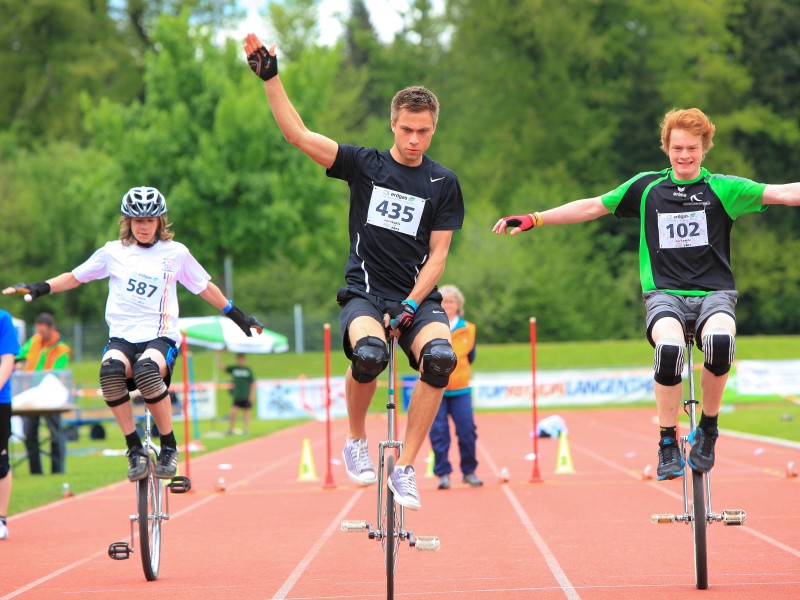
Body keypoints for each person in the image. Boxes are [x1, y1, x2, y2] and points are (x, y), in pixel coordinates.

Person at [493, 108, 800, 481]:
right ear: (666, 148)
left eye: (692, 148)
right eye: (677, 148)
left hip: (714, 294)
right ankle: (667, 439)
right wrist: (535, 218)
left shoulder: (723, 188)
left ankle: (709, 427)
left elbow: (783, 193)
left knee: (721, 342)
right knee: (669, 349)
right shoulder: (646, 187)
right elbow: (593, 205)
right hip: (664, 296)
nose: (684, 155)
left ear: (705, 148)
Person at [244, 35, 464, 510]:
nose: (413, 140)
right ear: (393, 123)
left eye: (423, 132)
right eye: (406, 129)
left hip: (417, 296)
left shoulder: (443, 183)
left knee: (441, 359)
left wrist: (410, 304)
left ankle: (405, 467)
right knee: (368, 353)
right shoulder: (366, 165)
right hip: (365, 291)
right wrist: (271, 80)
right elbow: (299, 136)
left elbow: (439, 256)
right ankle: (356, 439)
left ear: (433, 130)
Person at [3, 187, 263, 482]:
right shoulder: (113, 252)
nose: (143, 226)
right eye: (137, 220)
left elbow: (205, 287)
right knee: (110, 371)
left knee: (146, 369)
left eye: (149, 221)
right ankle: (134, 448)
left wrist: (239, 317)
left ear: (159, 223)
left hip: (159, 336)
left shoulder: (176, 254)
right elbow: (76, 277)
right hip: (122, 338)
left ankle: (168, 446)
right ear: (127, 222)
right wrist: (38, 287)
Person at [428, 285, 482, 490]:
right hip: (436, 389)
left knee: (467, 430)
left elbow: (471, 357)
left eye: (451, 301)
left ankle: (469, 471)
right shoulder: (430, 326)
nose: (447, 305)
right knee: (439, 432)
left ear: (458, 305)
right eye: (443, 301)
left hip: (461, 389)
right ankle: (443, 474)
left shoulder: (469, 328)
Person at [16, 312, 72, 475]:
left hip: (50, 396)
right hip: (32, 396)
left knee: (55, 433)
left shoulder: (62, 347)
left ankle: (57, 470)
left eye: (43, 332)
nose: (40, 335)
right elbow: (19, 354)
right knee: (29, 433)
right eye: (38, 331)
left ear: (52, 328)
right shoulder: (34, 341)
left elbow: (57, 372)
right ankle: (35, 471)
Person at [0, 309, 21, 540]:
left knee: (0, 460)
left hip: (0, 399)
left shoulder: (3, 319)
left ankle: (1, 519)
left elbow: (7, 360)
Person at [224, 353, 255, 435]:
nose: (240, 360)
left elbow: (252, 383)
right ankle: (231, 429)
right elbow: (222, 367)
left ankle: (246, 430)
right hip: (237, 396)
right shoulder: (234, 369)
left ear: (244, 360)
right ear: (237, 359)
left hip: (246, 395)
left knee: (246, 412)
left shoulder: (247, 370)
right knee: (233, 412)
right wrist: (218, 354)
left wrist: (252, 395)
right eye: (239, 359)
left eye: (242, 359)